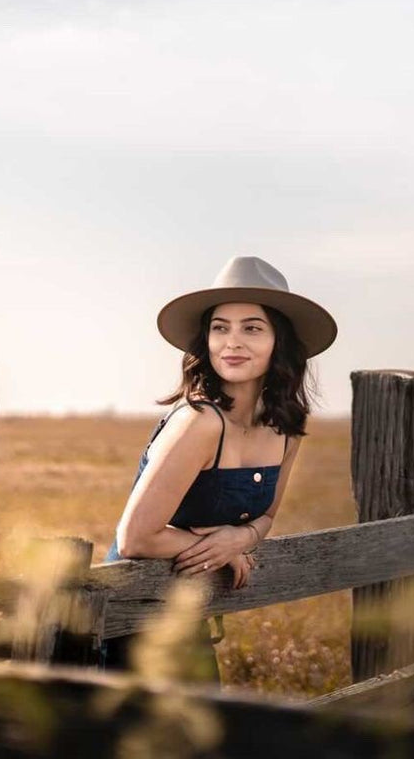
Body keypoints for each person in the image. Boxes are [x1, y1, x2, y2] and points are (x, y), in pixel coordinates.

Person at [99, 255, 337, 678]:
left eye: (252, 328)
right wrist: (221, 551)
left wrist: (240, 537)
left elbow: (266, 516)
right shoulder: (199, 421)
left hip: (187, 616)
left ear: (279, 342)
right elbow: (135, 538)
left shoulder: (287, 429)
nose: (232, 342)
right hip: (128, 616)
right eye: (220, 328)